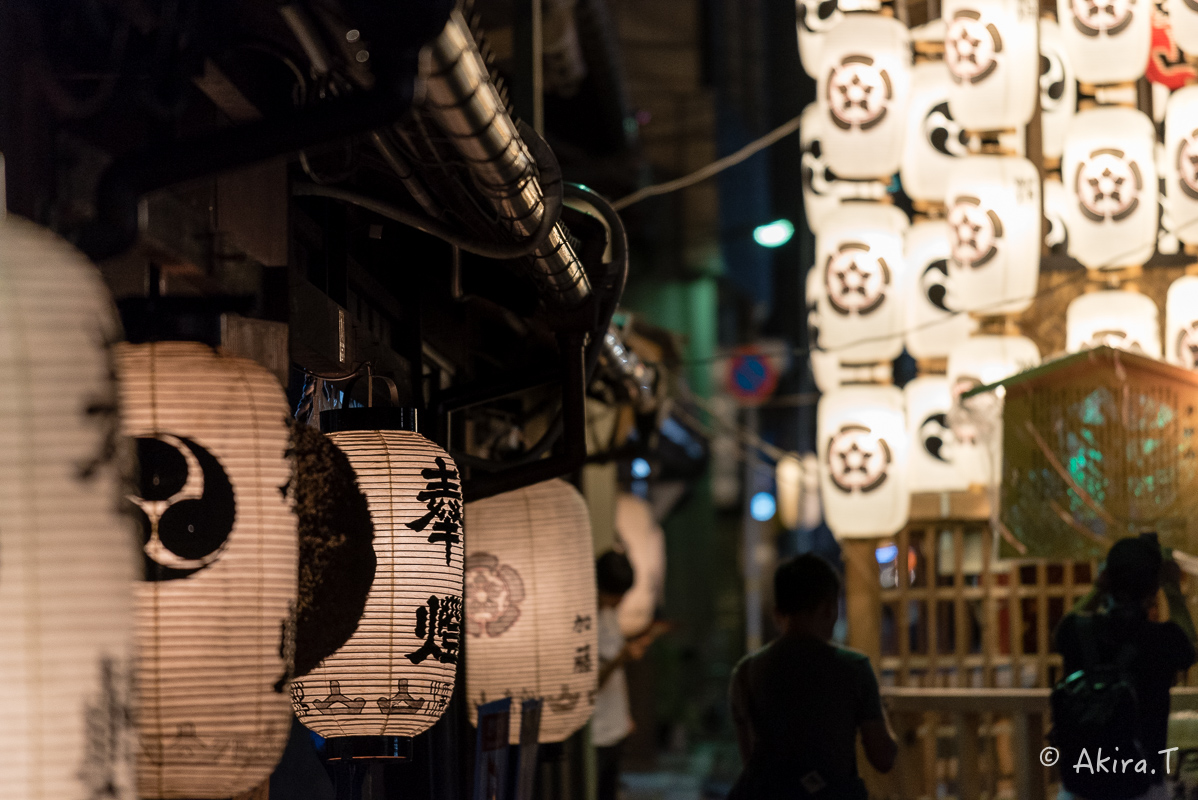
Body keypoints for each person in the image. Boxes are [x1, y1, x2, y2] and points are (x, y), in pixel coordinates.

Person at [729, 553, 896, 799]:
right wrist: (882, 713)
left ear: (777, 613)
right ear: (830, 608)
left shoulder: (746, 672)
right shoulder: (854, 668)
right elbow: (883, 758)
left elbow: (750, 761)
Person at [1053, 535, 1197, 800]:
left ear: (1106, 577)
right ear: (1154, 587)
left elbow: (1063, 629)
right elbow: (1189, 646)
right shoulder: (1162, 640)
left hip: (1080, 784)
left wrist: (1098, 588)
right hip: (1142, 785)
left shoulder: (1077, 632)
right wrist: (1173, 589)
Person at [593, 550, 670, 800]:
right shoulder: (586, 618)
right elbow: (591, 683)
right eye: (616, 594)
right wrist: (622, 657)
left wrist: (624, 715)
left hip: (614, 724)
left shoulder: (608, 614)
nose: (620, 601)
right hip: (597, 729)